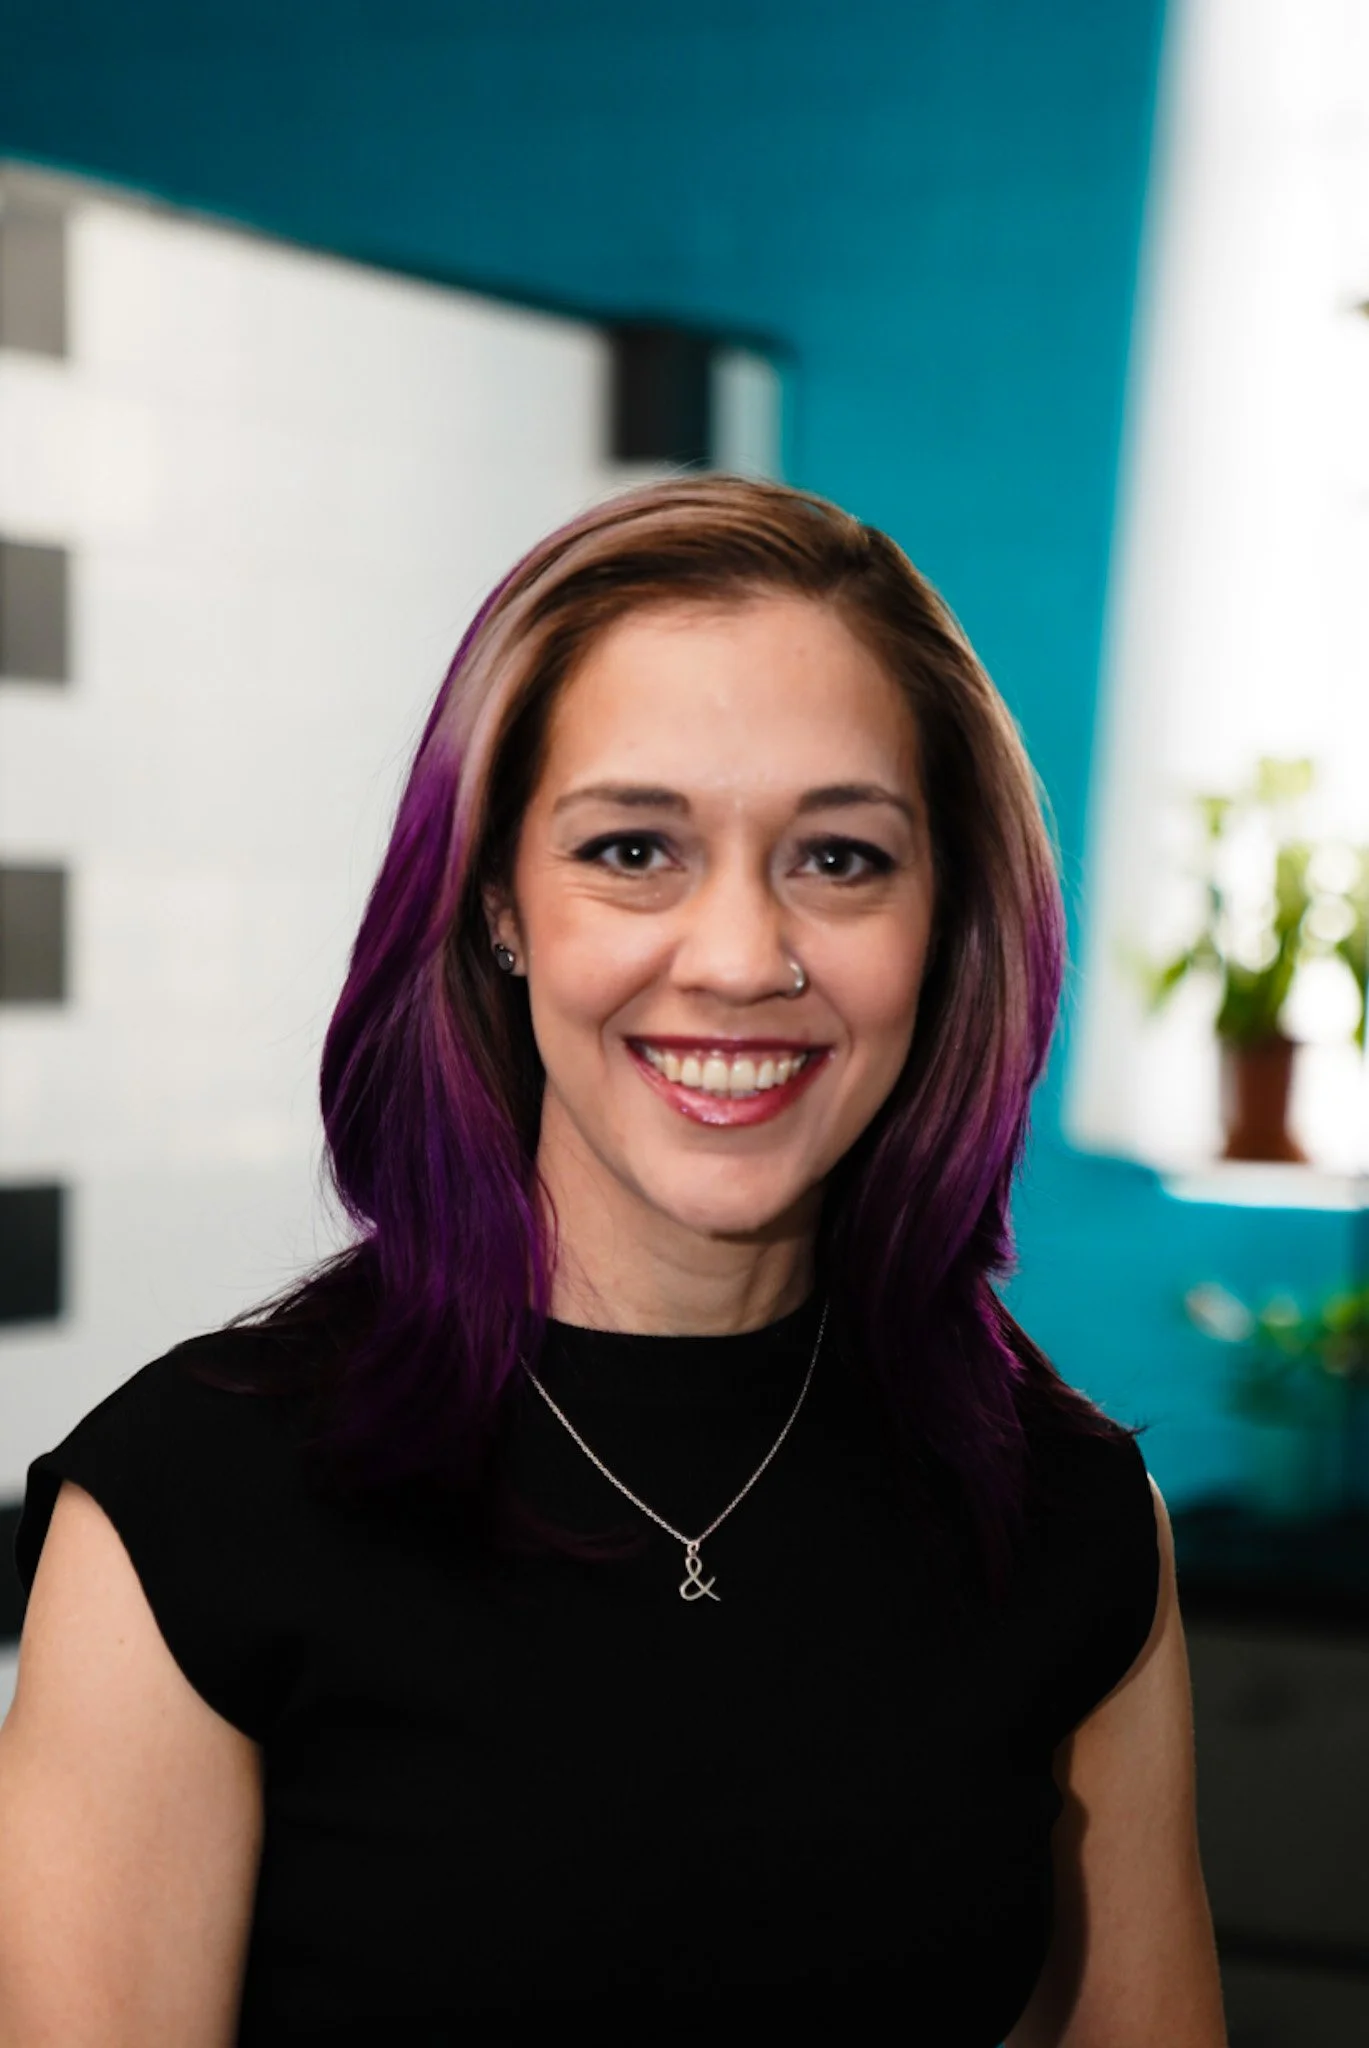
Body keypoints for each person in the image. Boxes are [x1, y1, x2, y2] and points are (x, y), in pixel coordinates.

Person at [0, 476, 1227, 2047]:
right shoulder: (187, 1514)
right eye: (635, 848)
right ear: (498, 900)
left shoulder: (1063, 1514)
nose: (736, 958)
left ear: (946, 915)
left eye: (840, 859)